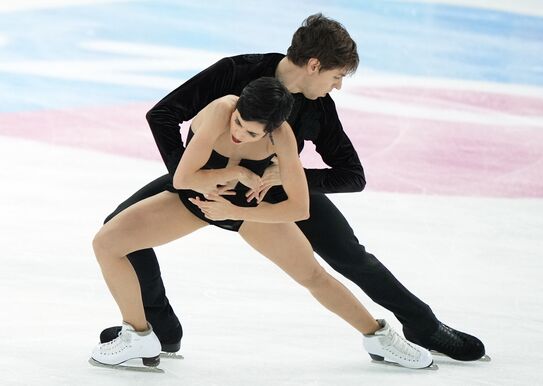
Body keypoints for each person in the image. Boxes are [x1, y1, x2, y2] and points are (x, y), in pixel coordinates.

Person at [99, 14, 486, 362]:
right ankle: (159, 329)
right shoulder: (236, 72)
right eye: (336, 76)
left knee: (349, 256)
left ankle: (424, 326)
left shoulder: (318, 107)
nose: (338, 86)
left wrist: (288, 176)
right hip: (208, 179)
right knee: (117, 231)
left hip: (276, 190)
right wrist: (190, 177)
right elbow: (163, 115)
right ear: (314, 65)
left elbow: (351, 175)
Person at [90, 77, 434, 370]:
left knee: (313, 276)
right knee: (107, 243)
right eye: (238, 122)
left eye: (251, 132)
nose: (238, 132)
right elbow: (183, 178)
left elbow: (298, 208)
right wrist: (236, 172)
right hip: (195, 200)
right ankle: (138, 336)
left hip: (247, 207)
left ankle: (379, 338)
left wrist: (236, 212)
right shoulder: (220, 110)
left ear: (272, 131)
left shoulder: (283, 138)